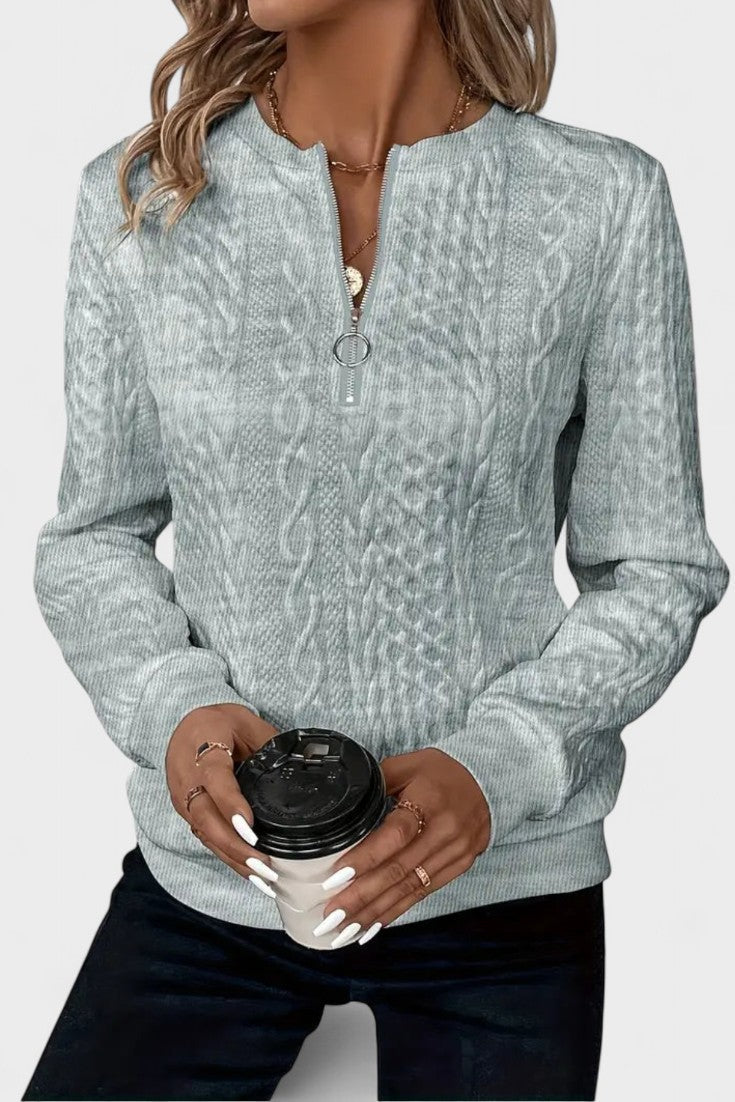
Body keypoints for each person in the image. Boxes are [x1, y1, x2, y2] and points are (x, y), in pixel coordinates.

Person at [23, 1, 729, 1099]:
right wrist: (174, 709)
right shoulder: (147, 197)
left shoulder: (599, 201)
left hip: (501, 896)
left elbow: (655, 568)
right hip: (216, 887)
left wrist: (499, 764)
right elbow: (92, 536)